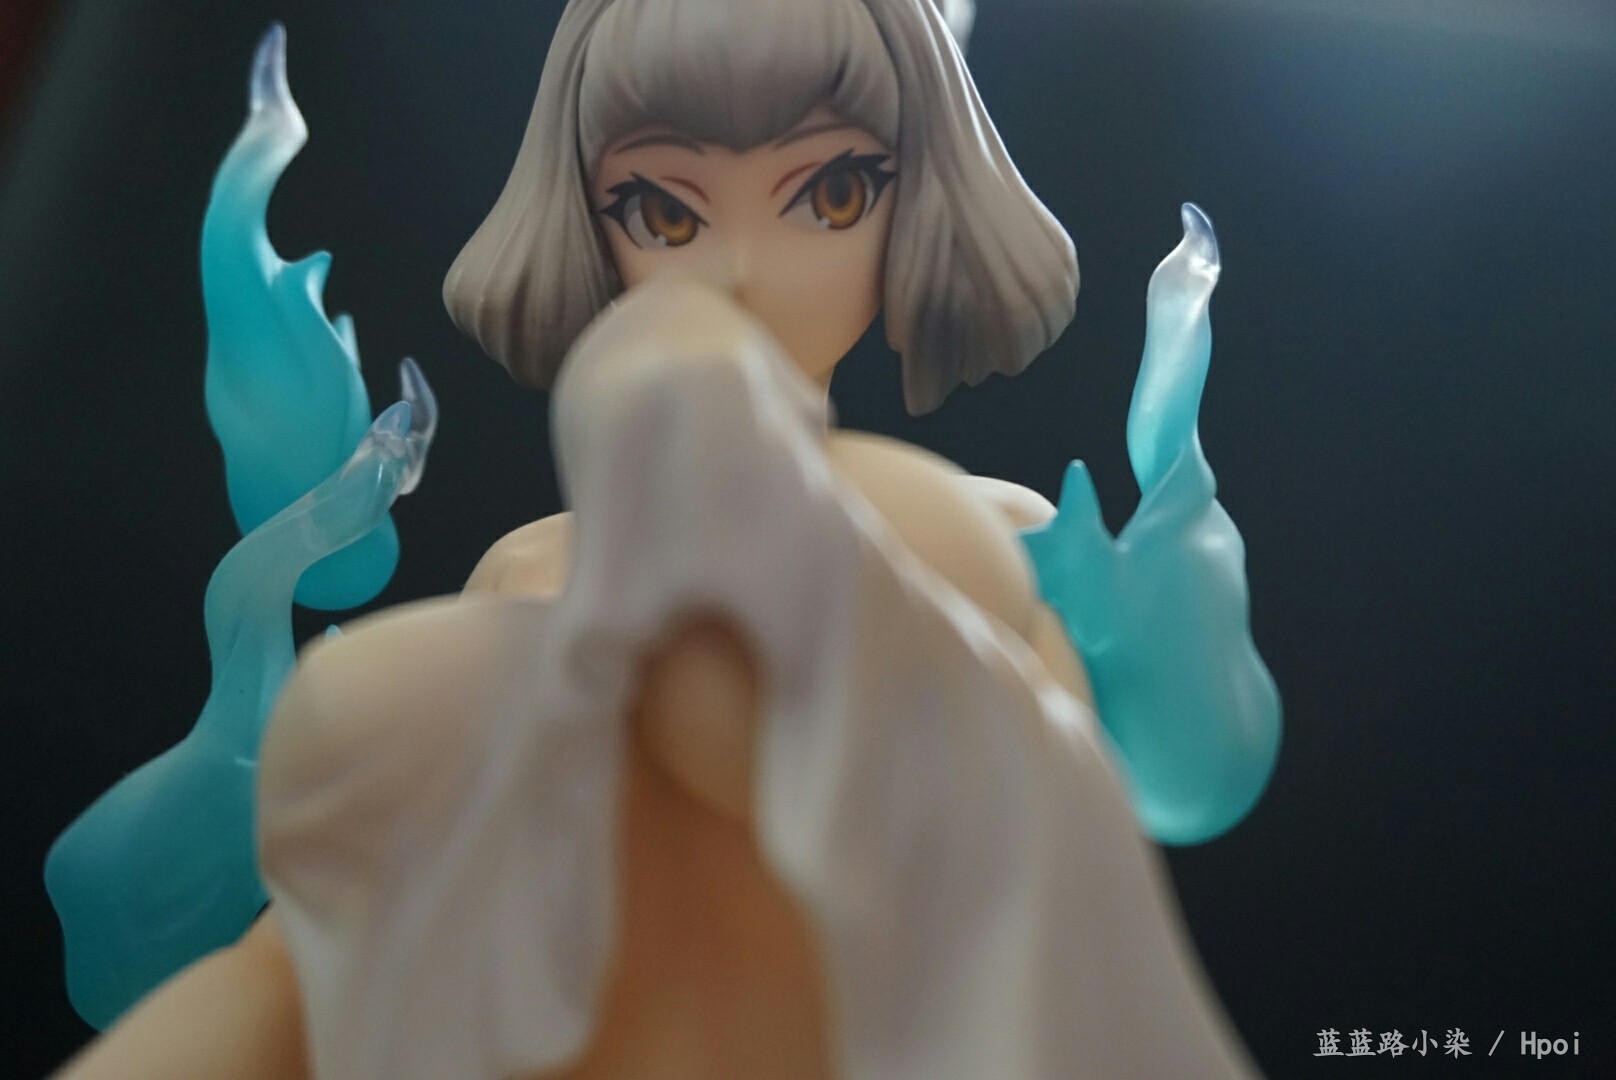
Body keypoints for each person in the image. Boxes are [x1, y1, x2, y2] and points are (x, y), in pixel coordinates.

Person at [55, 1, 1259, 1077]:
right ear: (590, 221)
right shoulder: (532, 573)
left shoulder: (985, 545)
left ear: (918, 196)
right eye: (663, 210)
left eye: (831, 194)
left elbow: (1054, 941)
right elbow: (324, 964)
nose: (739, 268)